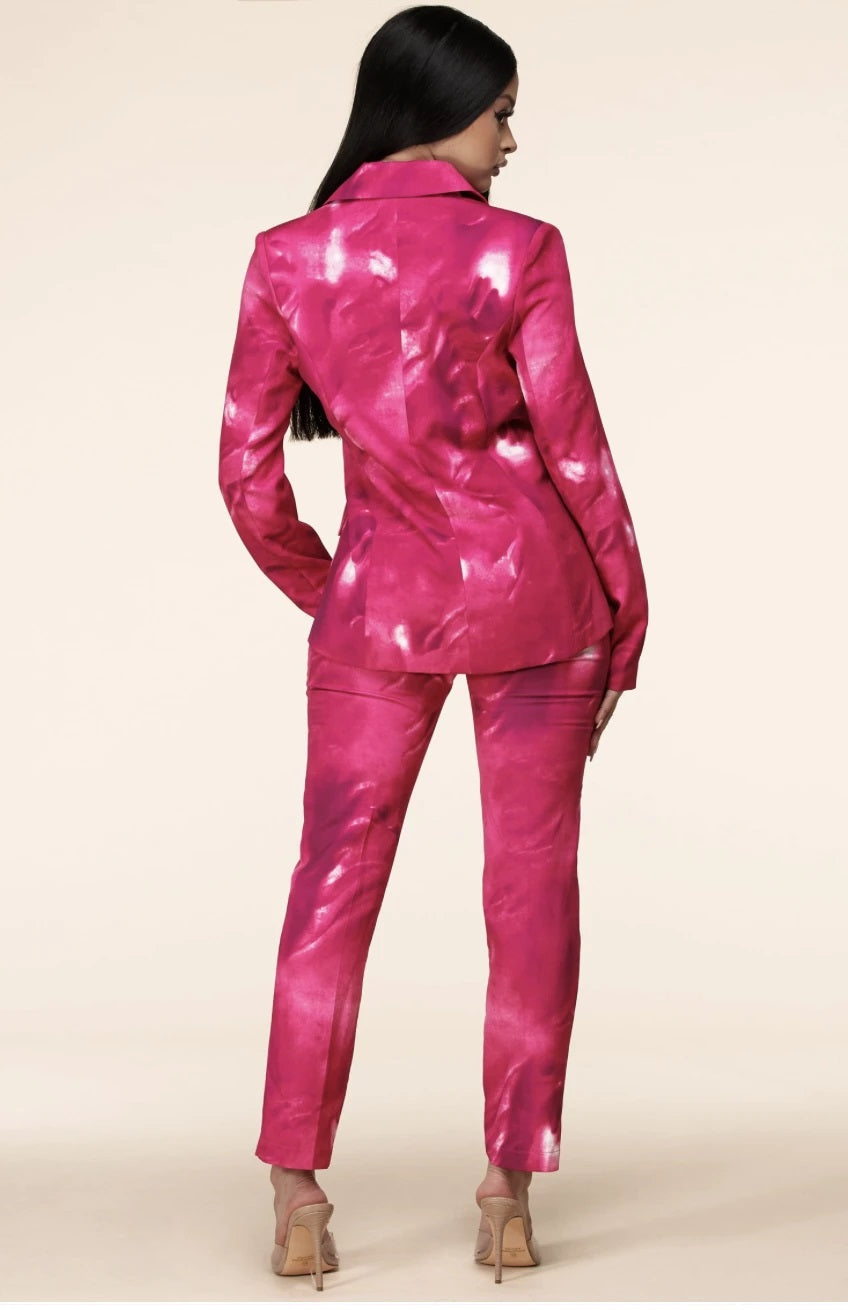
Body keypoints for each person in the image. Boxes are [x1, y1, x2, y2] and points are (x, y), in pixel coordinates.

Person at [217, 3, 649, 1289]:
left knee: (328, 890)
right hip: (540, 607)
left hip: (375, 612)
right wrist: (627, 613)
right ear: (437, 104)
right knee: (531, 894)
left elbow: (245, 474)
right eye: (500, 111)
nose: (511, 139)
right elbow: (575, 448)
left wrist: (334, 590)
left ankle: (296, 1194)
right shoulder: (519, 250)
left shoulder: (287, 255)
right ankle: (506, 1192)